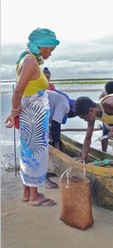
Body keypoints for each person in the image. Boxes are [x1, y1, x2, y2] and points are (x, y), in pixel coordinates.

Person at [3, 28, 60, 207]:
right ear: (41, 46)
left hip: (31, 112)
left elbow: (23, 91)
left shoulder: (28, 58)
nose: (51, 53)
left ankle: (27, 193)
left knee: (28, 152)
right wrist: (14, 113)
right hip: (33, 115)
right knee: (36, 152)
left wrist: (16, 111)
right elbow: (18, 90)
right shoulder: (29, 61)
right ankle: (35, 197)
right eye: (50, 49)